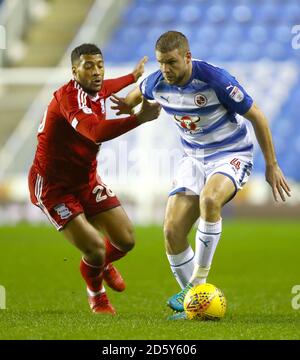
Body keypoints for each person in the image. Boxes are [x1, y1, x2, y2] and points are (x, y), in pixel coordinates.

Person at [110, 31, 291, 319]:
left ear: (188, 57)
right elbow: (138, 92)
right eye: (161, 63)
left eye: (171, 62)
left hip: (231, 153)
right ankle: (198, 303)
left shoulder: (215, 79)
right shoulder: (158, 81)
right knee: (171, 231)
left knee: (209, 201)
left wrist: (272, 165)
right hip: (193, 158)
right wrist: (129, 105)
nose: (166, 69)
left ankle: (195, 286)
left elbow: (256, 114)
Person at [28, 43, 161, 315]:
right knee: (97, 249)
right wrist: (139, 119)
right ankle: (97, 295)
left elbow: (107, 87)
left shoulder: (95, 87)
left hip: (86, 180)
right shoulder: (68, 98)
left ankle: (101, 264)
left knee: (126, 240)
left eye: (100, 65)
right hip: (54, 187)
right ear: (74, 71)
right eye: (88, 66)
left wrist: (132, 78)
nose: (97, 72)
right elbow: (95, 131)